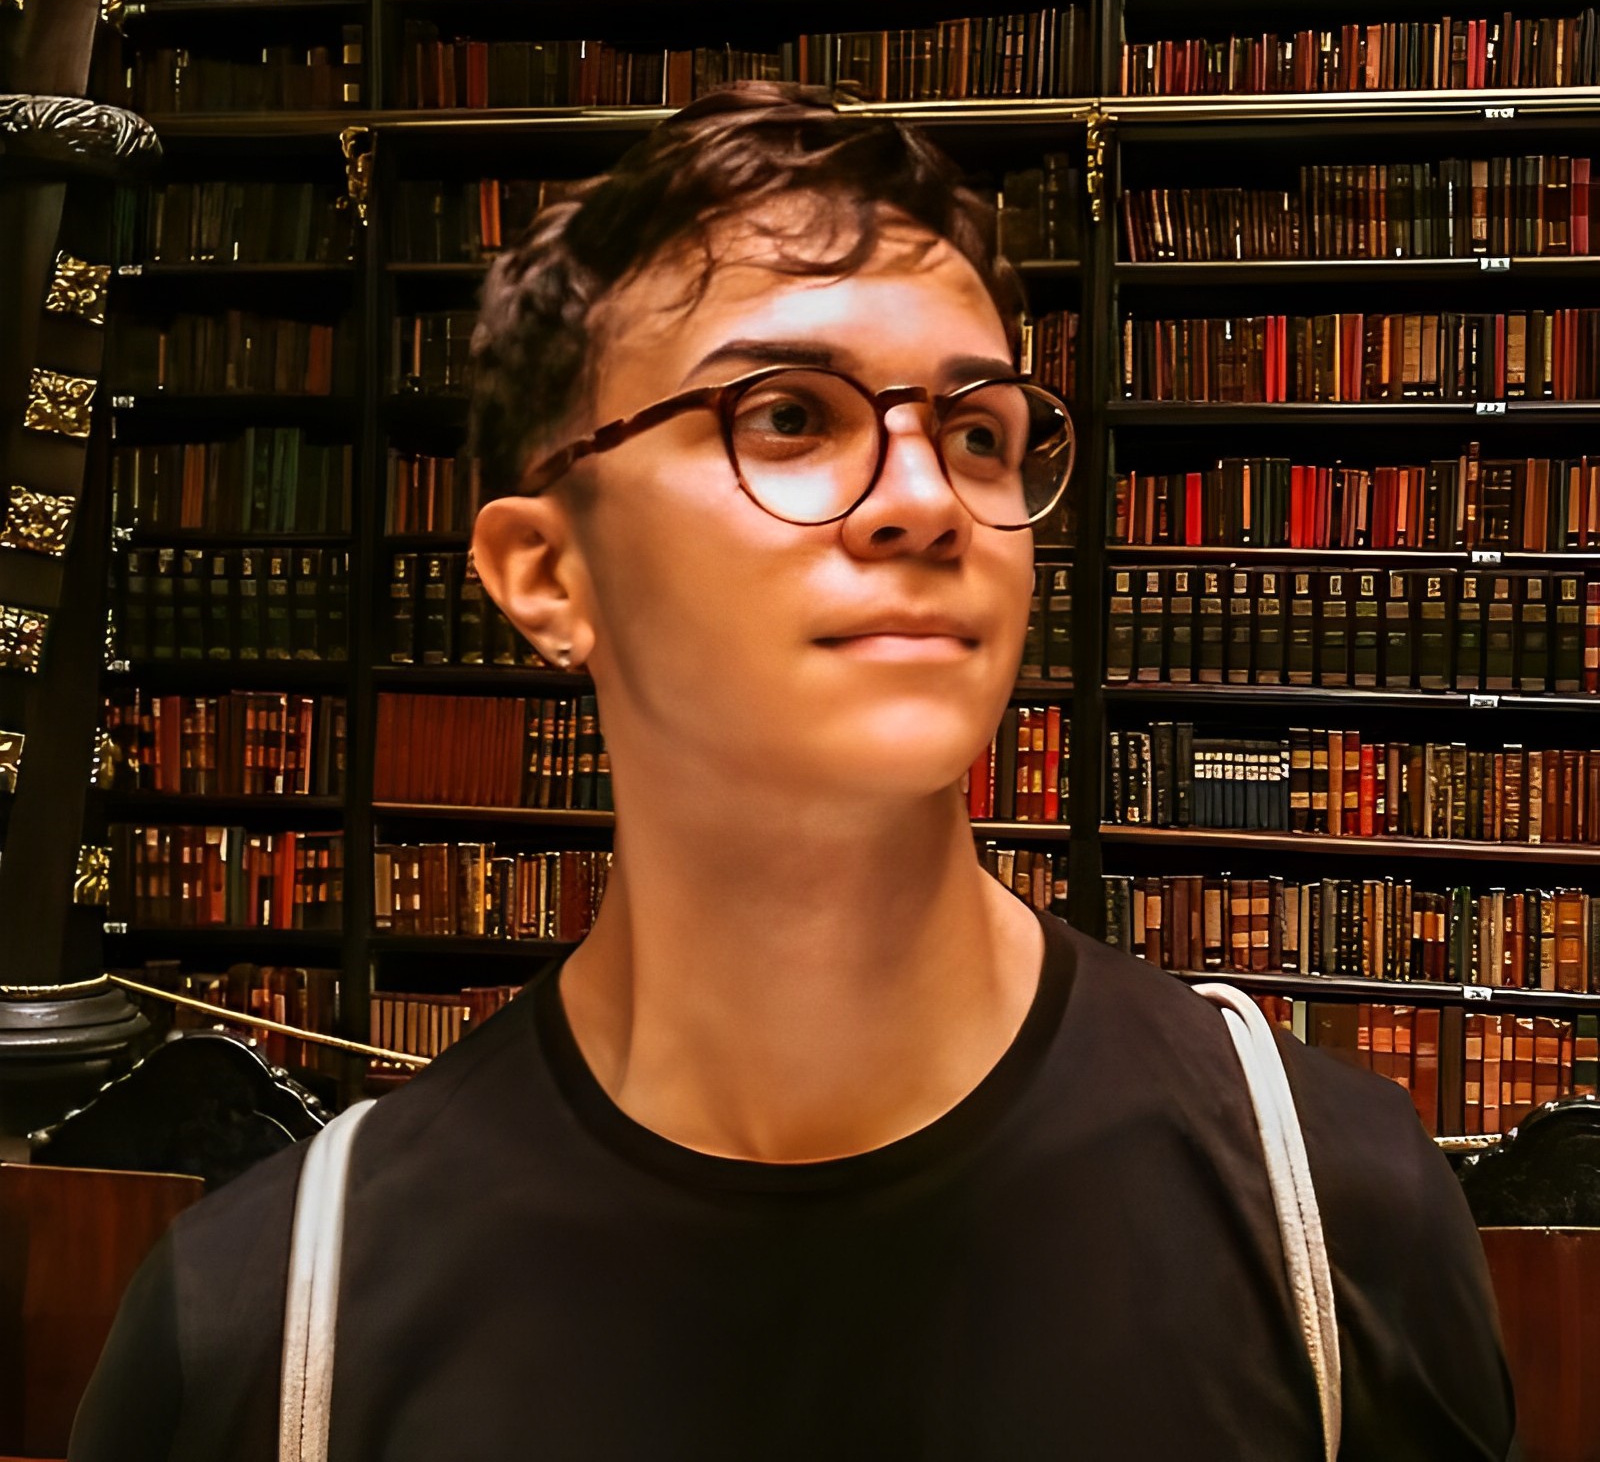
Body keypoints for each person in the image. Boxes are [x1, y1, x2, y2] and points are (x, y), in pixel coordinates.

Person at [71, 80, 1519, 1460]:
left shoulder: (1327, 1210)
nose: (923, 502)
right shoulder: (266, 1328)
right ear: (546, 572)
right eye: (787, 417)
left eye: (974, 431)